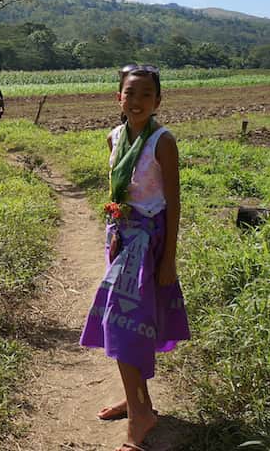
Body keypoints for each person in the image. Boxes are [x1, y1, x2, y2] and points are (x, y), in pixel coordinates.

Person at [79, 64, 189, 451]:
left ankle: (141, 414)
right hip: (123, 242)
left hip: (151, 244)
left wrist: (169, 260)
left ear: (158, 101)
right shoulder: (114, 138)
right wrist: (112, 232)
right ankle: (137, 400)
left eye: (146, 94)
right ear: (118, 98)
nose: (137, 100)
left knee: (124, 323)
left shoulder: (163, 142)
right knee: (128, 322)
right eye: (130, 92)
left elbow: (173, 204)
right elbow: (116, 191)